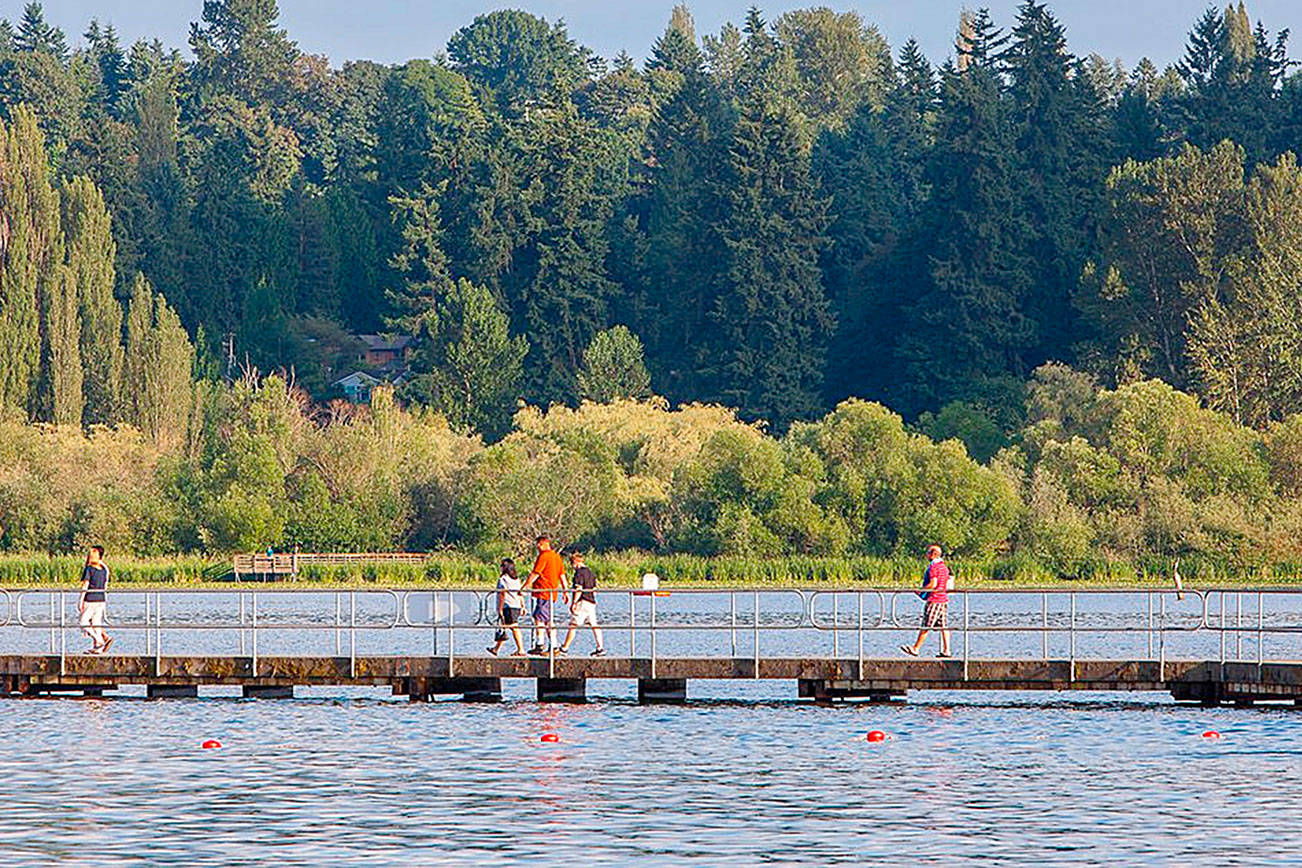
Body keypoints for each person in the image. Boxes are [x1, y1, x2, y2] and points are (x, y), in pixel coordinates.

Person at [901, 544, 952, 658]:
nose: (926, 555)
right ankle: (946, 650)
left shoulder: (934, 567)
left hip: (934, 599)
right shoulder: (944, 567)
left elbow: (933, 584)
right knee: (944, 626)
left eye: (928, 552)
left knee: (926, 625)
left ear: (933, 554)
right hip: (943, 599)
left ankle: (916, 648)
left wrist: (920, 590)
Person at [557, 551, 606, 656]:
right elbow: (593, 588)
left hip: (582, 602)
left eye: (572, 564)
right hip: (591, 602)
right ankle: (600, 647)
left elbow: (578, 589)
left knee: (573, 625)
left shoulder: (579, 573)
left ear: (576, 562)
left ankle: (564, 648)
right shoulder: (591, 573)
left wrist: (574, 603)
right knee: (594, 625)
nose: (573, 567)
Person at [523, 536, 565, 655]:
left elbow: (536, 573)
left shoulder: (544, 556)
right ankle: (543, 644)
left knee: (543, 620)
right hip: (550, 593)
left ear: (545, 544)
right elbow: (562, 576)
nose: (538, 547)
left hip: (544, 593)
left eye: (540, 544)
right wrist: (565, 591)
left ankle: (547, 645)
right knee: (541, 618)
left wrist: (525, 586)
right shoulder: (557, 557)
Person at [487, 558, 526, 657]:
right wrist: (522, 605)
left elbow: (502, 594)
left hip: (508, 606)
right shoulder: (516, 579)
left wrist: (499, 609)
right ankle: (496, 648)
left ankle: (521, 650)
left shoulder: (503, 579)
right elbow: (519, 593)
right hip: (516, 605)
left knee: (512, 627)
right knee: (506, 626)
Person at [79, 545, 112, 654]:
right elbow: (105, 584)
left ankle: (99, 641)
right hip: (101, 599)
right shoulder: (103, 570)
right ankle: (99, 649)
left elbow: (85, 585)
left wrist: (80, 601)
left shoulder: (89, 569)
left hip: (90, 599)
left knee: (83, 622)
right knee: (96, 623)